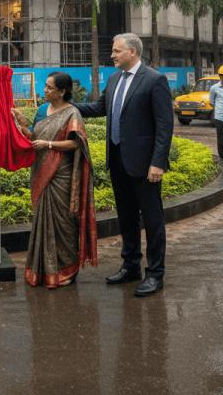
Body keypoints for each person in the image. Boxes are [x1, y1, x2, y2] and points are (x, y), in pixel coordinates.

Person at [74, 33, 173, 297]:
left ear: (132, 51)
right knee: (127, 218)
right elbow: (100, 108)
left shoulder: (155, 80)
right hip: (117, 159)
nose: (112, 55)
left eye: (116, 51)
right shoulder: (114, 78)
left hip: (145, 165)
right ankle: (131, 266)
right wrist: (65, 106)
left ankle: (155, 274)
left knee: (152, 220)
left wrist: (158, 162)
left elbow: (165, 125)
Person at [12, 71, 97, 288]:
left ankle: (66, 270)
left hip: (62, 175)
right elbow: (35, 136)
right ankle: (43, 271)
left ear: (62, 91)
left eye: (50, 88)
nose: (45, 90)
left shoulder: (73, 113)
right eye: (46, 86)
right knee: (42, 221)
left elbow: (77, 144)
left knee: (63, 223)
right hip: (41, 171)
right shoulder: (42, 109)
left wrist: (49, 145)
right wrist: (23, 123)